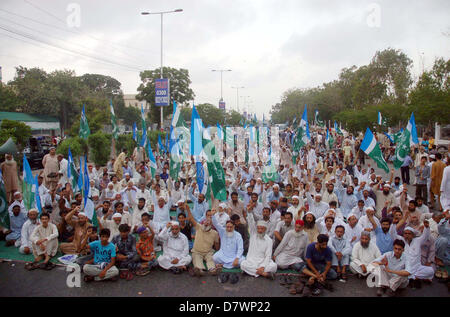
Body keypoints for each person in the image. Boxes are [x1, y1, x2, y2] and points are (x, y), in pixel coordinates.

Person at [240, 207, 277, 279]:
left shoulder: (269, 240)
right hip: (252, 260)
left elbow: (268, 256)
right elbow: (250, 222)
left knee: (274, 266)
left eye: (262, 228)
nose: (260, 230)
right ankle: (264, 274)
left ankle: (251, 272)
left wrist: (263, 266)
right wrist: (250, 212)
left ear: (265, 229)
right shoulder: (253, 235)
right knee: (243, 264)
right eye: (258, 228)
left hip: (263, 261)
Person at [185, 203, 220, 276]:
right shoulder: (199, 226)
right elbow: (191, 219)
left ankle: (212, 270)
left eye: (211, 216)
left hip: (208, 252)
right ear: (205, 217)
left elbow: (217, 246)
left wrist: (218, 252)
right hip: (197, 251)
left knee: (211, 259)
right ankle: (199, 270)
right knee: (197, 259)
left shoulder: (215, 233)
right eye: (208, 216)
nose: (209, 219)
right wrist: (188, 209)